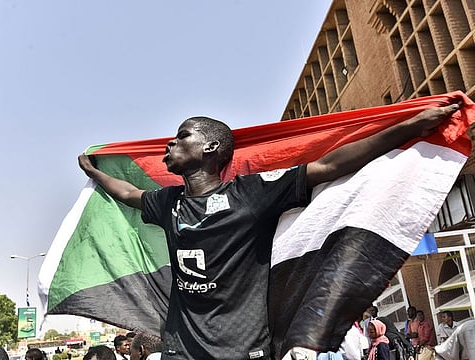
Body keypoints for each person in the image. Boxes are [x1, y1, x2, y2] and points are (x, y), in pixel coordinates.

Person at [79, 103, 461, 360]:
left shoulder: (252, 192)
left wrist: (408, 127)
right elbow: (129, 193)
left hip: (245, 350)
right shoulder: (168, 202)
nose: (170, 142)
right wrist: (94, 172)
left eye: (182, 136)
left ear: (211, 146)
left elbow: (328, 166)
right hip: (183, 350)